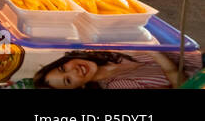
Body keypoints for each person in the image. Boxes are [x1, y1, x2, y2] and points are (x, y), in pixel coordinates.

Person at [34, 49, 196, 89]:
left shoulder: (105, 48)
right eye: (68, 80)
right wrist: (154, 52)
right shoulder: (118, 86)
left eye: (63, 68)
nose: (73, 70)